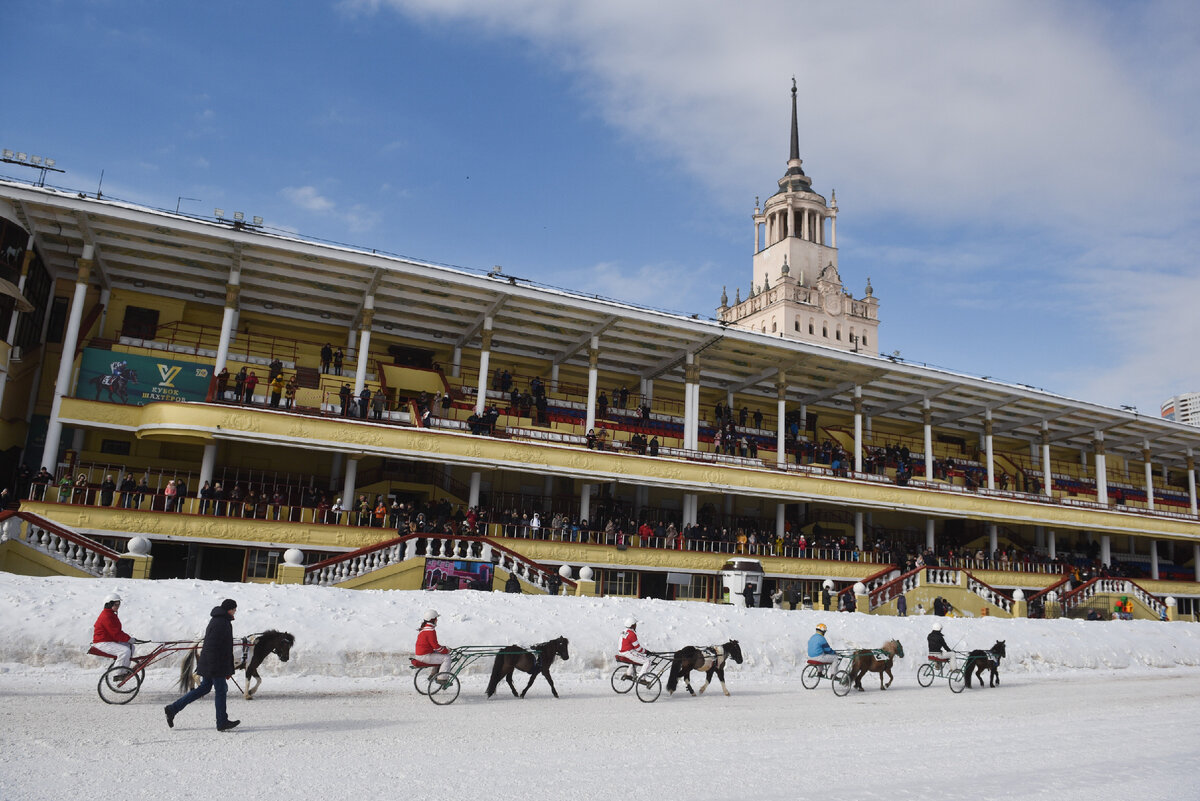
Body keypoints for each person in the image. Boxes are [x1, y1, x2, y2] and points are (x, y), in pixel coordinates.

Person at [164, 599, 241, 732]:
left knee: (204, 688)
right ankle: (222, 722)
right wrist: (223, 667)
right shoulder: (222, 622)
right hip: (216, 664)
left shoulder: (219, 620)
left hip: (212, 663)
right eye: (234, 609)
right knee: (221, 690)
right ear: (229, 609)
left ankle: (172, 709)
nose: (235, 611)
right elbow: (218, 647)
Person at [92, 593, 135, 669]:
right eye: (116, 604)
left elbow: (117, 631)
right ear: (109, 604)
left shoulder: (111, 614)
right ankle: (117, 673)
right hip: (102, 642)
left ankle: (124, 669)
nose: (118, 606)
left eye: (119, 604)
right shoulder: (106, 616)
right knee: (124, 651)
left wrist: (128, 639)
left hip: (109, 640)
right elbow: (116, 633)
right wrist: (128, 639)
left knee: (131, 647)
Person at [414, 609, 453, 676]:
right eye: (436, 618)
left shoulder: (425, 628)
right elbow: (436, 646)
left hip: (422, 654)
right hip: (424, 656)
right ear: (432, 619)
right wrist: (446, 651)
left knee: (440, 655)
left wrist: (443, 649)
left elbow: (433, 646)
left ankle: (434, 674)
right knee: (447, 658)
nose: (437, 620)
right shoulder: (430, 631)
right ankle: (442, 678)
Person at [616, 617, 651, 682]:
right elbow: (638, 648)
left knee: (637, 658)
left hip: (622, 651)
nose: (636, 625)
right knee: (647, 661)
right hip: (628, 652)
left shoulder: (624, 631)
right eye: (635, 624)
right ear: (632, 625)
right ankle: (641, 678)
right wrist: (646, 651)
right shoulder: (632, 634)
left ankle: (629, 674)